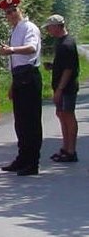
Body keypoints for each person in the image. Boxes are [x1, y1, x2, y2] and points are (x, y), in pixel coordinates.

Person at [0, 0, 42, 176]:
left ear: (19, 10)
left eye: (13, 10)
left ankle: (32, 163)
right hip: (19, 77)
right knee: (21, 122)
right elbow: (14, 61)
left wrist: (12, 50)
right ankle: (23, 158)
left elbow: (31, 48)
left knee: (31, 122)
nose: (11, 15)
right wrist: (12, 84)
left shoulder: (29, 27)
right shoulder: (15, 30)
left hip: (29, 75)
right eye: (8, 13)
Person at [43, 14, 79, 163]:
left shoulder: (67, 44)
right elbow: (63, 65)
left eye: (50, 27)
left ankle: (71, 151)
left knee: (68, 116)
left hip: (67, 88)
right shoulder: (60, 43)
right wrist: (53, 66)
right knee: (61, 115)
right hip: (61, 86)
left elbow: (69, 69)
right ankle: (65, 148)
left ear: (58, 26)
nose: (48, 30)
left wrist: (59, 90)